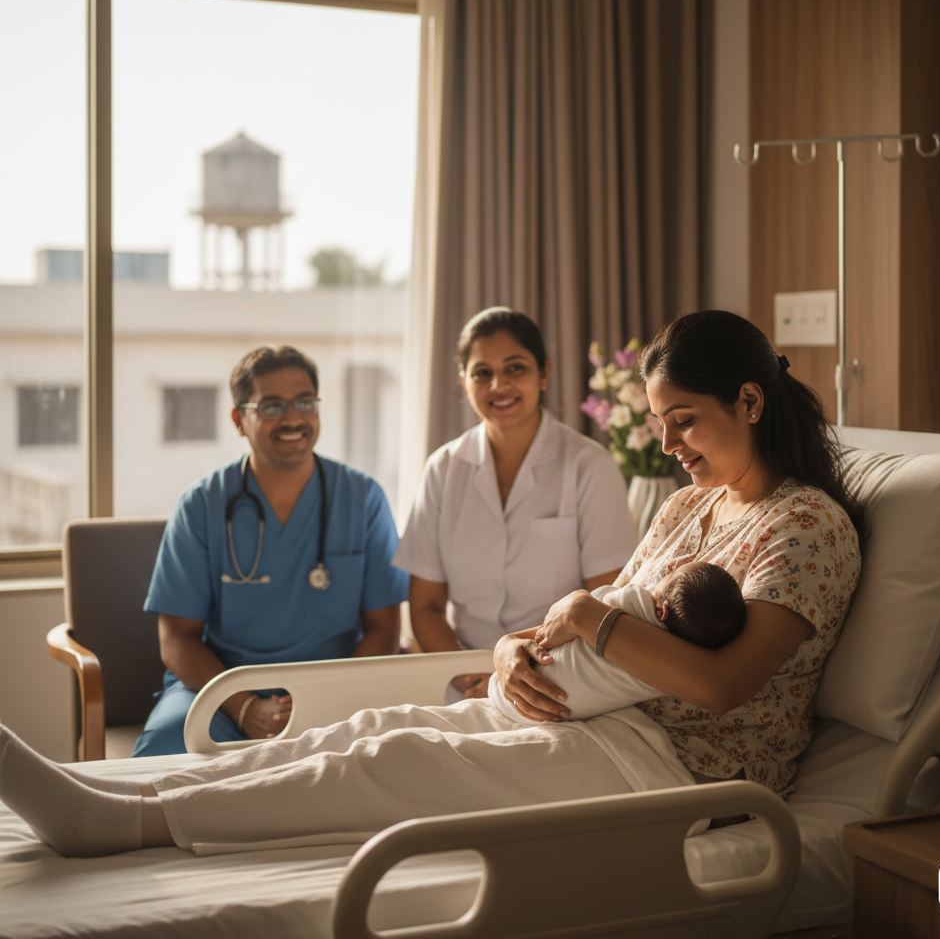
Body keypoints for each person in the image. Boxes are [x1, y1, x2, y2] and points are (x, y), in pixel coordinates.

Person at [0, 310, 863, 857]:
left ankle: (124, 825)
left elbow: (720, 682)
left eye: (684, 421)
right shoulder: (688, 508)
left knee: (391, 766)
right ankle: (134, 789)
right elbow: (602, 618)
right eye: (659, 423)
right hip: (589, 710)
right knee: (375, 727)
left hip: (678, 767)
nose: (668, 444)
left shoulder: (806, 526)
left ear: (750, 403)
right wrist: (517, 650)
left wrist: (581, 617)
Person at [131, 345, 409, 757]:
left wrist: (325, 700)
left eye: (305, 402)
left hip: (339, 690)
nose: (293, 418)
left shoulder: (362, 498)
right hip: (222, 693)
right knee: (167, 749)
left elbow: (384, 629)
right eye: (272, 406)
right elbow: (176, 639)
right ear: (238, 420)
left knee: (389, 760)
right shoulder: (202, 505)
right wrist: (244, 707)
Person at [394, 307, 635, 699]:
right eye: (482, 373)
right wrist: (469, 675)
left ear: (544, 373)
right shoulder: (442, 469)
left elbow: (602, 603)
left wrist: (523, 673)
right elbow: (426, 606)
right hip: (463, 683)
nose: (498, 385)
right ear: (463, 381)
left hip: (557, 678)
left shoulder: (589, 467)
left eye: (515, 368)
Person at [487, 560, 747, 724]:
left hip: (523, 704)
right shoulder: (666, 675)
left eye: (672, 574)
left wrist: (581, 608)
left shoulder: (637, 605)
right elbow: (567, 622)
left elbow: (590, 607)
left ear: (662, 611)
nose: (667, 571)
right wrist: (506, 645)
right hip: (542, 709)